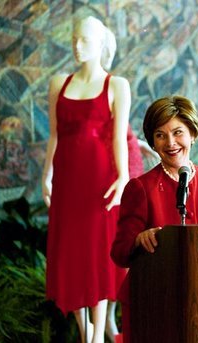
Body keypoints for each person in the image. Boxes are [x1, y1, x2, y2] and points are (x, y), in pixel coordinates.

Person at [41, 16, 143, 343]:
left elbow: (118, 138)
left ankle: (98, 336)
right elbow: (55, 136)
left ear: (101, 44)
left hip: (101, 183)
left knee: (98, 257)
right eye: (74, 39)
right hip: (68, 183)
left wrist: (124, 176)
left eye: (85, 40)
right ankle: (87, 334)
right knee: (71, 256)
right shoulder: (59, 83)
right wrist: (47, 175)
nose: (77, 46)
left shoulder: (117, 85)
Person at [111, 95, 198, 342]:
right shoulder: (140, 188)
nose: (170, 142)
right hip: (153, 301)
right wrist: (139, 239)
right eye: (160, 135)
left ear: (192, 134)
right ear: (153, 142)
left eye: (178, 132)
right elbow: (120, 252)